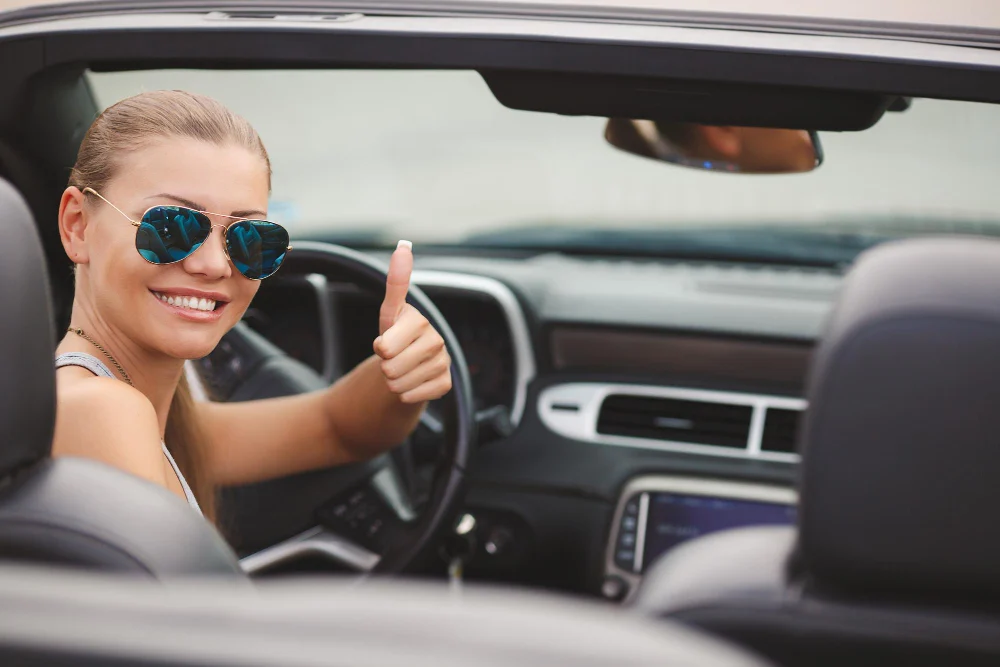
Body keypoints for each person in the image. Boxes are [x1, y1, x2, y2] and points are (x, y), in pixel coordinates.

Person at [52, 90, 452, 523]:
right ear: (78, 226)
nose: (213, 265)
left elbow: (337, 429)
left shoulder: (154, 410)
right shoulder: (101, 410)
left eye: (250, 239)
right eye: (170, 226)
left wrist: (402, 371)